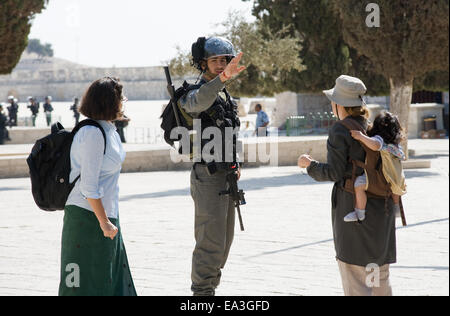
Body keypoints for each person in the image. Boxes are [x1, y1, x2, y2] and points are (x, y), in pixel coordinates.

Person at [298, 75, 396, 296]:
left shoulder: (340, 130)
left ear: (338, 104)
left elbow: (333, 172)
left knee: (356, 280)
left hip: (354, 211)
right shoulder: (374, 128)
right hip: (381, 210)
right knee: (379, 278)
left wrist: (309, 165)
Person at [178, 36, 246, 296]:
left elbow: (231, 132)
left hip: (226, 177)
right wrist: (222, 78)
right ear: (202, 63)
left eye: (225, 60)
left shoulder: (224, 95)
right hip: (207, 176)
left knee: (224, 244)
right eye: (215, 60)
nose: (221, 65)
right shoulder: (194, 93)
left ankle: (209, 290)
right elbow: (199, 103)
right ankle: (201, 295)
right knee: (210, 243)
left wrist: (237, 162)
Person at [59, 77, 137, 296]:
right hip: (87, 217)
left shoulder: (109, 129)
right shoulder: (92, 133)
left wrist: (109, 220)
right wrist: (104, 223)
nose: (124, 101)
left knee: (110, 280)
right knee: (85, 284)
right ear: (109, 101)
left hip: (107, 215)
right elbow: (89, 186)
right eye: (121, 97)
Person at [344, 111, 407, 222]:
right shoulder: (395, 143)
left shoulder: (380, 139)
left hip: (383, 178)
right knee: (395, 191)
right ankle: (396, 209)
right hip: (397, 179)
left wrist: (361, 136)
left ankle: (360, 212)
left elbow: (375, 145)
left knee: (358, 185)